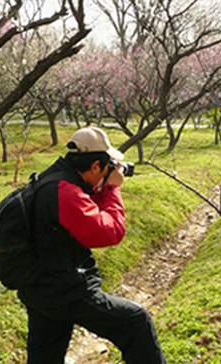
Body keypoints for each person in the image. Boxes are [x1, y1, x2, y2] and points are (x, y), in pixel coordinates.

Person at [18, 127, 167, 364]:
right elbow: (110, 232)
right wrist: (112, 189)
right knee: (136, 322)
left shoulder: (53, 178)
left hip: (38, 286)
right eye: (108, 166)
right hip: (64, 290)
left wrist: (101, 189)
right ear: (96, 166)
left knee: (45, 357)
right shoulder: (65, 192)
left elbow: (76, 217)